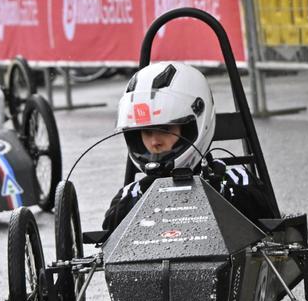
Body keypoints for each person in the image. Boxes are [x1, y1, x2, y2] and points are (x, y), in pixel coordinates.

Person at [103, 62, 273, 232]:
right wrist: (143, 197)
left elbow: (270, 222)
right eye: (146, 132)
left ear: (192, 126)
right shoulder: (132, 193)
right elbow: (109, 238)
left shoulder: (235, 179)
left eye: (165, 129)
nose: (154, 142)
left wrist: (221, 193)